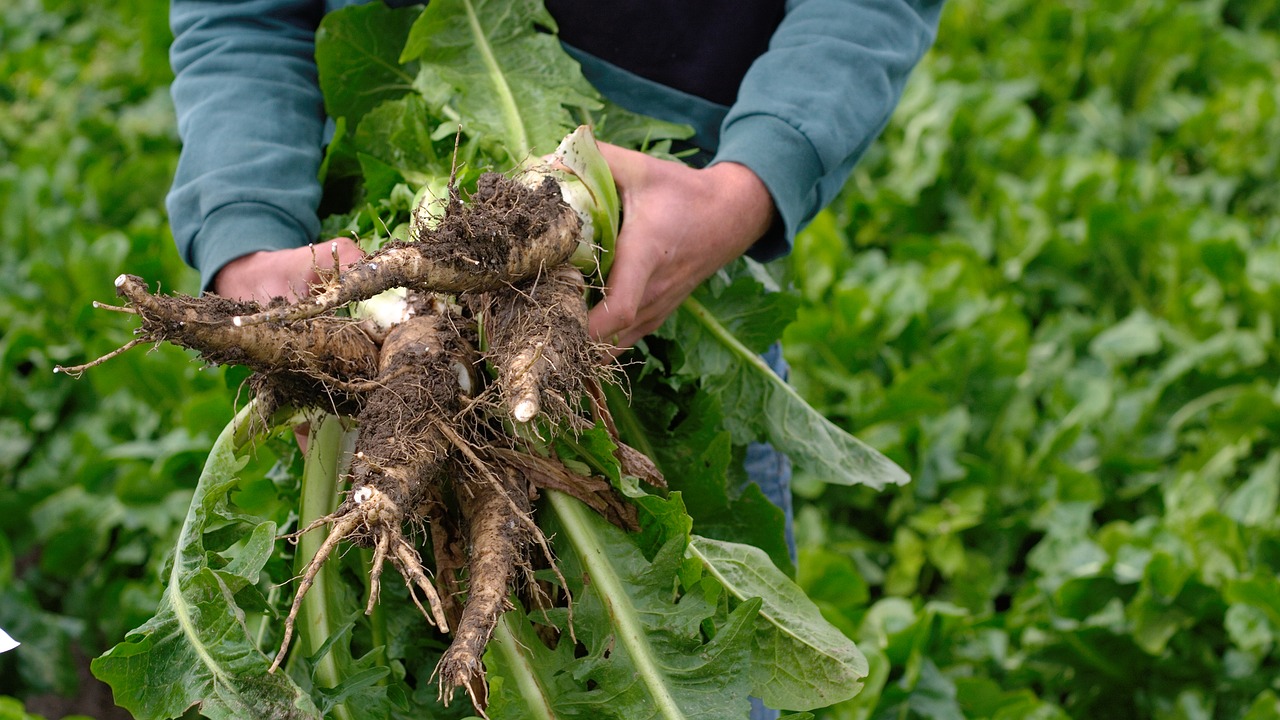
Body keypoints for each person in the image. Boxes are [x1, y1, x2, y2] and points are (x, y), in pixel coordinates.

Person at [167, 1, 942, 716]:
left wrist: (749, 184)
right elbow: (242, 14)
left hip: (667, 314)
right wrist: (245, 235)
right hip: (359, 378)